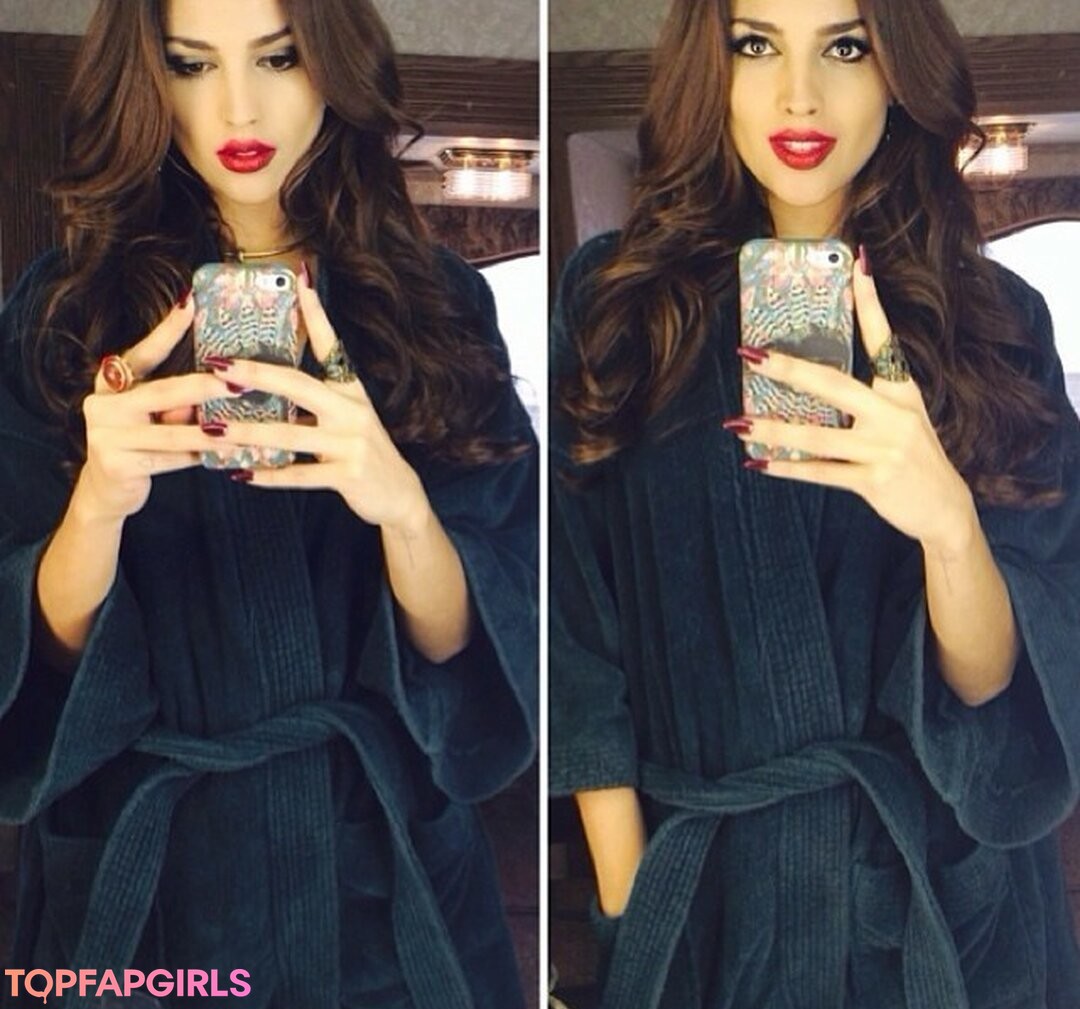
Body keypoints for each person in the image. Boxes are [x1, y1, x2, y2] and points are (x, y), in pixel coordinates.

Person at [0, 1, 537, 1007]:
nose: (238, 108)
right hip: (152, 896)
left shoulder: (436, 303)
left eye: (279, 58)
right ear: (146, 79)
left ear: (333, 61)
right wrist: (98, 504)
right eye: (192, 65)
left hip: (378, 884)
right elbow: (40, 664)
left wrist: (402, 507)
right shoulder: (61, 311)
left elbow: (472, 636)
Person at [550, 1, 1080, 1007]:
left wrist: (947, 525)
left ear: (899, 69)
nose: (800, 95)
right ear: (709, 68)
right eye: (755, 45)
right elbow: (578, 636)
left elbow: (997, 688)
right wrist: (631, 905)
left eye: (846, 46)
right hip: (708, 908)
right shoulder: (616, 306)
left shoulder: (999, 323)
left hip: (936, 915)